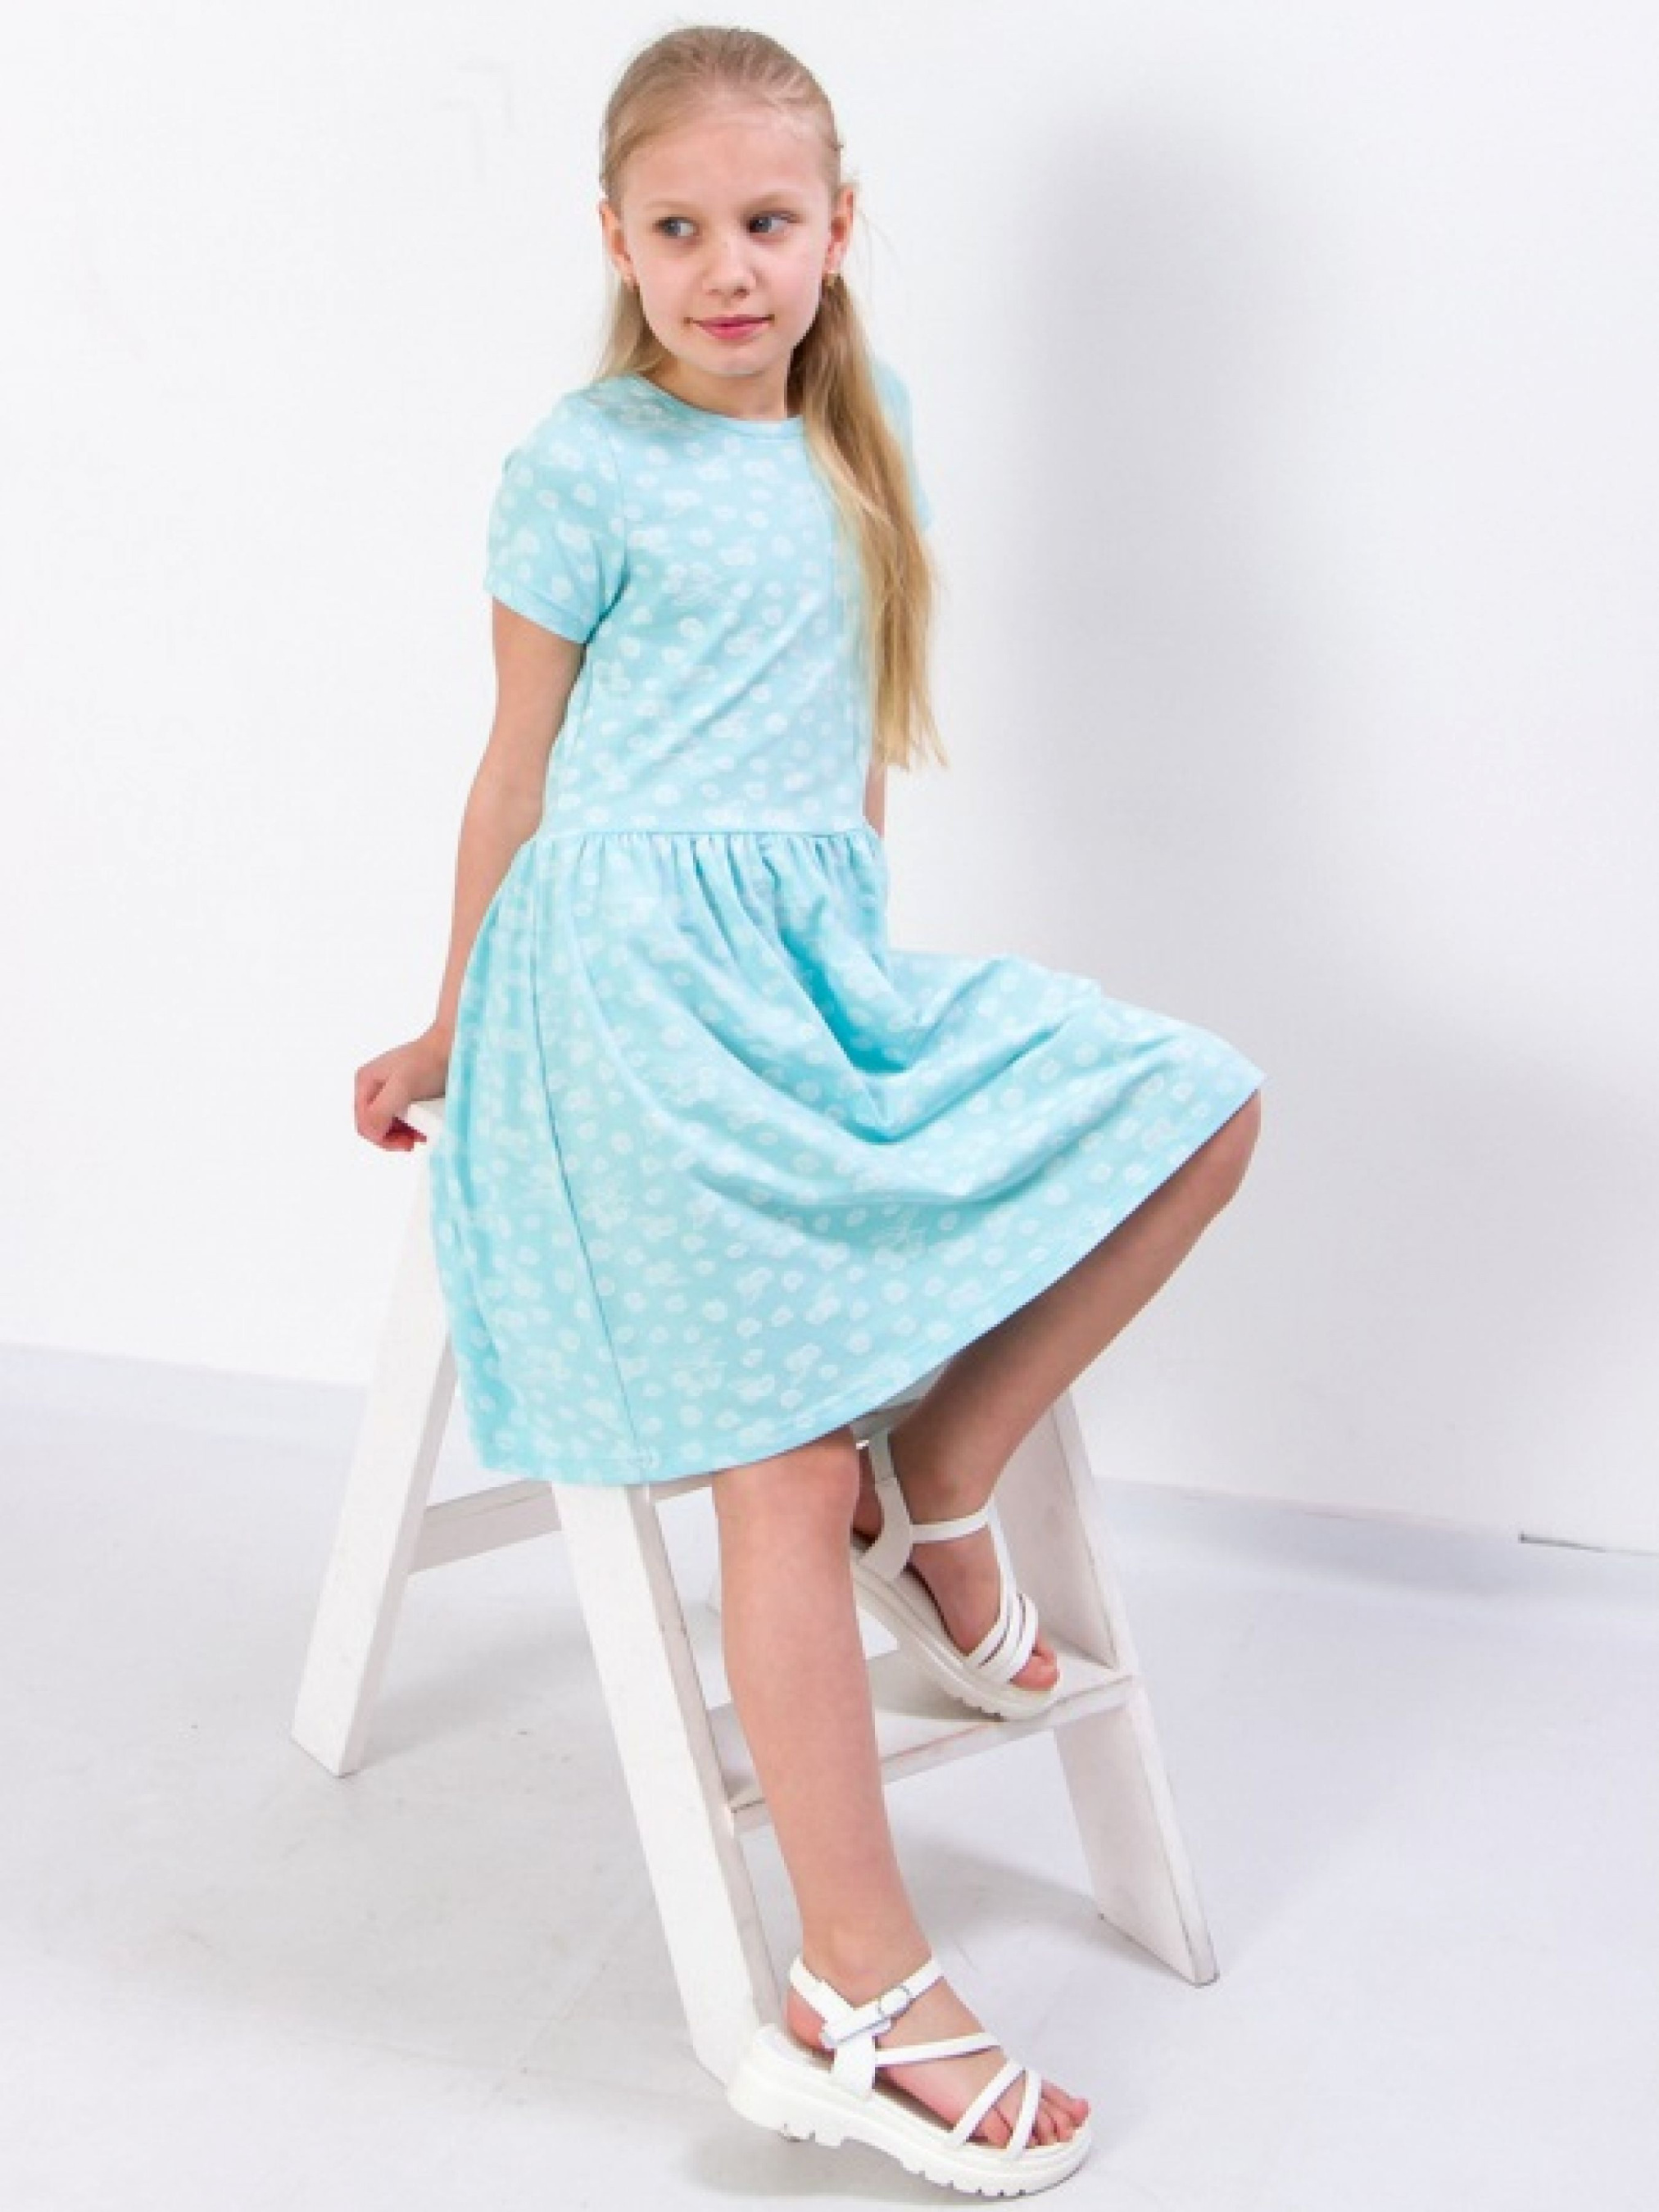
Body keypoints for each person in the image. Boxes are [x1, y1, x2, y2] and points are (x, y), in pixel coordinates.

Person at [354, 23, 1264, 2196]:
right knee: (771, 1442)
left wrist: (855, 999)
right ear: (616, 241)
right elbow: (514, 772)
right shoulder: (583, 464)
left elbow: (843, 760)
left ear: (838, 230)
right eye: (678, 229)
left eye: (765, 222)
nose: (726, 268)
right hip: (614, 990)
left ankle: (933, 1476)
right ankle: (853, 1980)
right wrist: (453, 1019)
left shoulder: (871, 434)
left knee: (1197, 1102)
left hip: (799, 976)